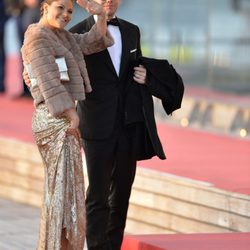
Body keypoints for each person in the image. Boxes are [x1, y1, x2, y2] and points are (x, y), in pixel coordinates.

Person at [69, 0, 184, 249]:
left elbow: (133, 68)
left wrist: (147, 77)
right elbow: (64, 74)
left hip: (128, 124)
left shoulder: (132, 30)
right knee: (98, 195)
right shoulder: (76, 32)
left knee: (121, 194)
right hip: (96, 124)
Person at [21, 0, 113, 249]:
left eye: (70, 11)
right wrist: (71, 112)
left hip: (64, 118)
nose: (65, 14)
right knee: (61, 195)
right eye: (60, 7)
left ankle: (62, 246)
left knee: (68, 194)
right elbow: (49, 79)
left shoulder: (62, 36)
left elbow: (92, 42)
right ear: (45, 6)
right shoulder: (37, 36)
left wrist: (99, 16)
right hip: (54, 120)